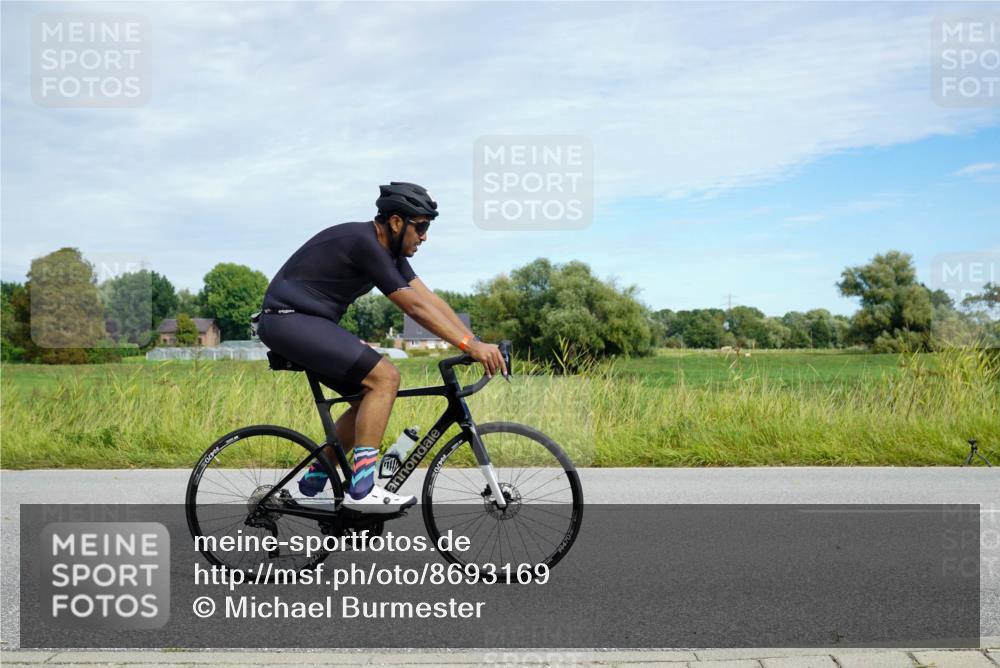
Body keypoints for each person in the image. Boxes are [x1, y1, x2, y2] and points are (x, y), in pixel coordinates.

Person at [256, 182, 507, 513]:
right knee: (384, 378)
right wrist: (469, 346)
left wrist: (474, 341)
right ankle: (361, 489)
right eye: (421, 226)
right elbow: (413, 309)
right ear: (396, 222)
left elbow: (428, 300)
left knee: (368, 394)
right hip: (288, 319)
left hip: (306, 322)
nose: (425, 236)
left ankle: (315, 480)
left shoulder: (390, 253)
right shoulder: (366, 244)